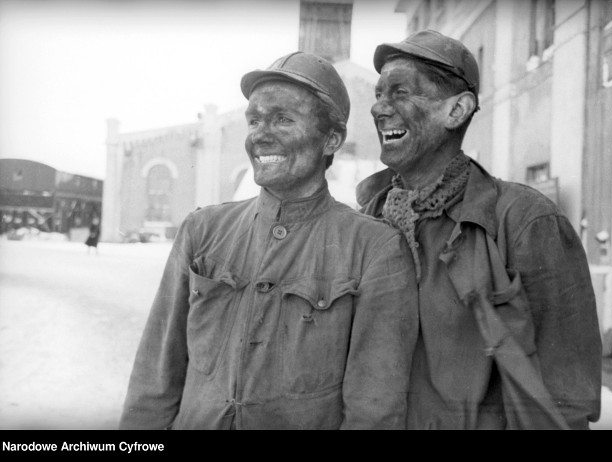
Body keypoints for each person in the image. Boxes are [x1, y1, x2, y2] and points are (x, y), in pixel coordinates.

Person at [119, 51, 419, 430]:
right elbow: (154, 380)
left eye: (282, 119)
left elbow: (374, 411)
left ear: (331, 139)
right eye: (254, 120)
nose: (260, 135)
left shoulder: (375, 249)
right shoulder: (203, 231)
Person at [356, 30, 602, 430]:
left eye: (400, 92)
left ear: (456, 111)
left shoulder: (526, 222)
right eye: (379, 94)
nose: (379, 109)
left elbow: (566, 401)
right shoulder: (367, 218)